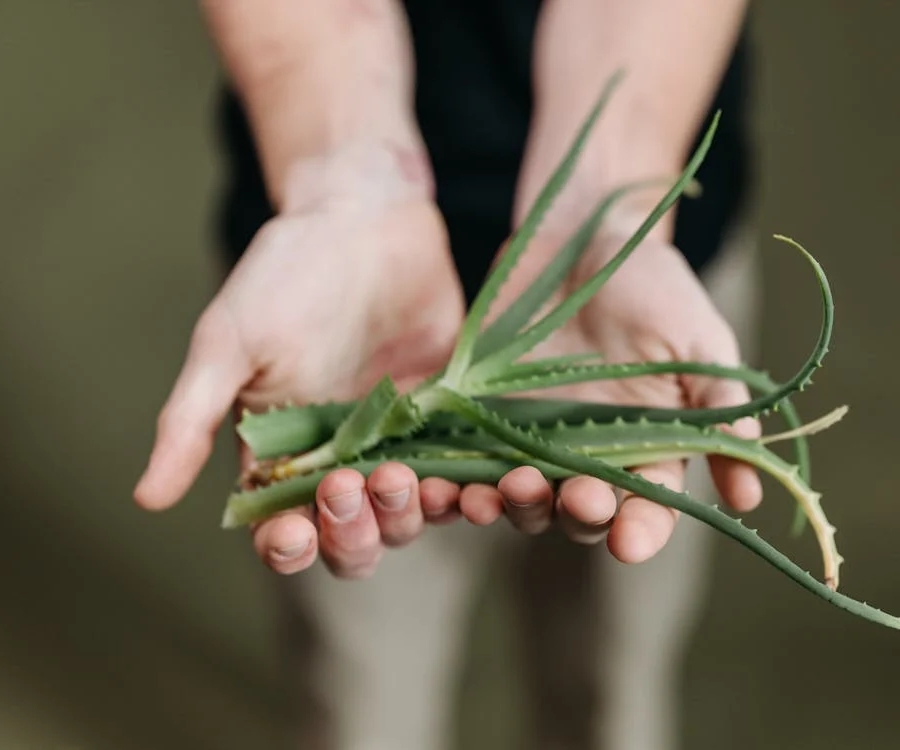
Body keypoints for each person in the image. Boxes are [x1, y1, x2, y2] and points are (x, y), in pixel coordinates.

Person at [135, 1, 762, 748]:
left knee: (608, 693)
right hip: (335, 307)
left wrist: (611, 200)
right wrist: (341, 178)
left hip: (628, 299)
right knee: (357, 701)